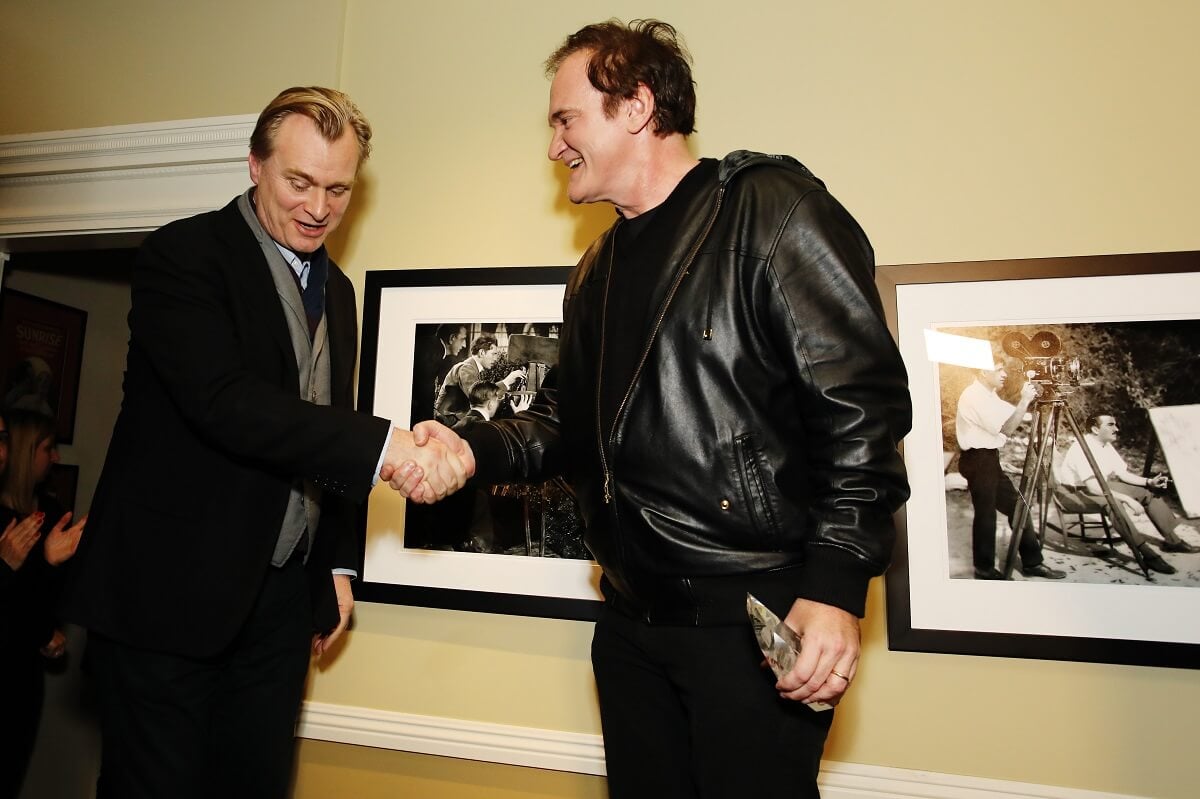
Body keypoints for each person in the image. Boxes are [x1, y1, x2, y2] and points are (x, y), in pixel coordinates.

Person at [397, 19, 911, 797]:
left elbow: (862, 413)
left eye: (564, 119)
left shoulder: (770, 210)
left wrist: (837, 588)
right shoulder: (593, 270)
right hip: (631, 629)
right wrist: (472, 449)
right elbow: (569, 424)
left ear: (636, 106)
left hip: (751, 623)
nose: (553, 146)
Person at [60, 87, 468, 799]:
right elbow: (227, 404)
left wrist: (337, 564)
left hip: (279, 609)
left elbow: (321, 420)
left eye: (338, 189)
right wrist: (391, 447)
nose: (318, 207)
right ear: (255, 165)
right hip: (165, 598)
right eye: (299, 182)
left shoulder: (338, 291)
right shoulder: (182, 257)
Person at [0, 410, 87, 798]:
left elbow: (36, 609)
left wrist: (50, 563)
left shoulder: (44, 514)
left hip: (19, 684)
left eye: (3, 440)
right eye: (47, 448)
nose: (54, 458)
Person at [955, 360, 1068, 580]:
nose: (1004, 374)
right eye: (999, 370)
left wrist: (1038, 402)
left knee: (1019, 507)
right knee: (986, 515)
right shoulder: (973, 395)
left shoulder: (989, 394)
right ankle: (984, 569)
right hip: (978, 459)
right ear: (982, 370)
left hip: (988, 458)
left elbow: (1015, 414)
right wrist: (1025, 399)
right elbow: (1006, 427)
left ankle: (1032, 563)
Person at [1058, 413, 1193, 570]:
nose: (1117, 428)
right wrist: (1128, 500)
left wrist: (1149, 482)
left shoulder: (1105, 445)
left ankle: (1173, 541)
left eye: (1115, 424)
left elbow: (1123, 474)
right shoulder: (1082, 448)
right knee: (1113, 503)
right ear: (1095, 429)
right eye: (1111, 425)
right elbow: (1093, 487)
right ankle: (1146, 554)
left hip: (1099, 486)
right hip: (1073, 494)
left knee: (1146, 492)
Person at [433, 334, 525, 425]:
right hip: (447, 421)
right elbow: (480, 397)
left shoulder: (472, 368)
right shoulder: (466, 368)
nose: (496, 359)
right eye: (493, 354)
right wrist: (507, 381)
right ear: (482, 353)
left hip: (454, 418)